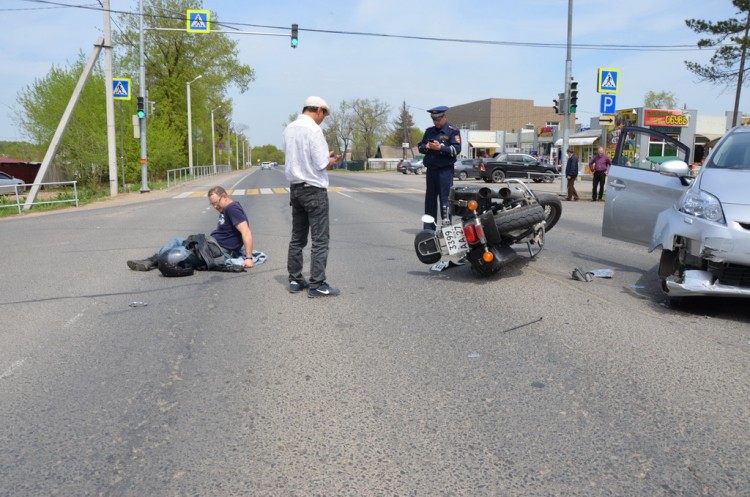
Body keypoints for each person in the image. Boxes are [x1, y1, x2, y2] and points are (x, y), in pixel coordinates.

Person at [283, 95, 340, 298]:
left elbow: (296, 158)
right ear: (318, 110)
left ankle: (295, 280)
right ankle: (317, 284)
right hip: (314, 189)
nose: (323, 118)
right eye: (324, 114)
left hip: (296, 189)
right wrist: (331, 160)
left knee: (297, 238)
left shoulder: (289, 129)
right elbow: (320, 164)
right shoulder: (314, 129)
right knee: (320, 239)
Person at [126, 186, 256, 271]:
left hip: (217, 252)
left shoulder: (232, 208)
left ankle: (154, 262)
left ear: (225, 197)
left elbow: (246, 232)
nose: (215, 207)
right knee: (177, 241)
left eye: (216, 203)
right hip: (209, 245)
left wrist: (248, 258)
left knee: (179, 252)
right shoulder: (226, 208)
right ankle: (151, 260)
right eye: (212, 204)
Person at [417, 105, 461, 229]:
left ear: (444, 117)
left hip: (445, 171)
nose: (436, 122)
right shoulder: (429, 131)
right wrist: (427, 147)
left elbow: (456, 149)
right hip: (431, 170)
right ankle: (429, 228)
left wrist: (440, 148)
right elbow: (420, 146)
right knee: (430, 200)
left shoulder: (453, 131)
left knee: (445, 200)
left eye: (438, 119)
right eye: (434, 119)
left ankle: (446, 228)